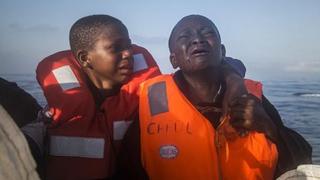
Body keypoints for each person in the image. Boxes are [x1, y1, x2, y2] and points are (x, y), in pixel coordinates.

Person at [118, 15, 312, 180]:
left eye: (207, 33)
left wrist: (269, 126)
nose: (197, 40)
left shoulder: (253, 98)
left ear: (223, 51)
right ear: (173, 60)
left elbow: (302, 159)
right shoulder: (151, 104)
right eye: (185, 37)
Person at [36, 15, 161, 179]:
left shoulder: (145, 104)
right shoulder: (51, 117)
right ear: (85, 58)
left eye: (129, 46)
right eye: (115, 48)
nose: (128, 53)